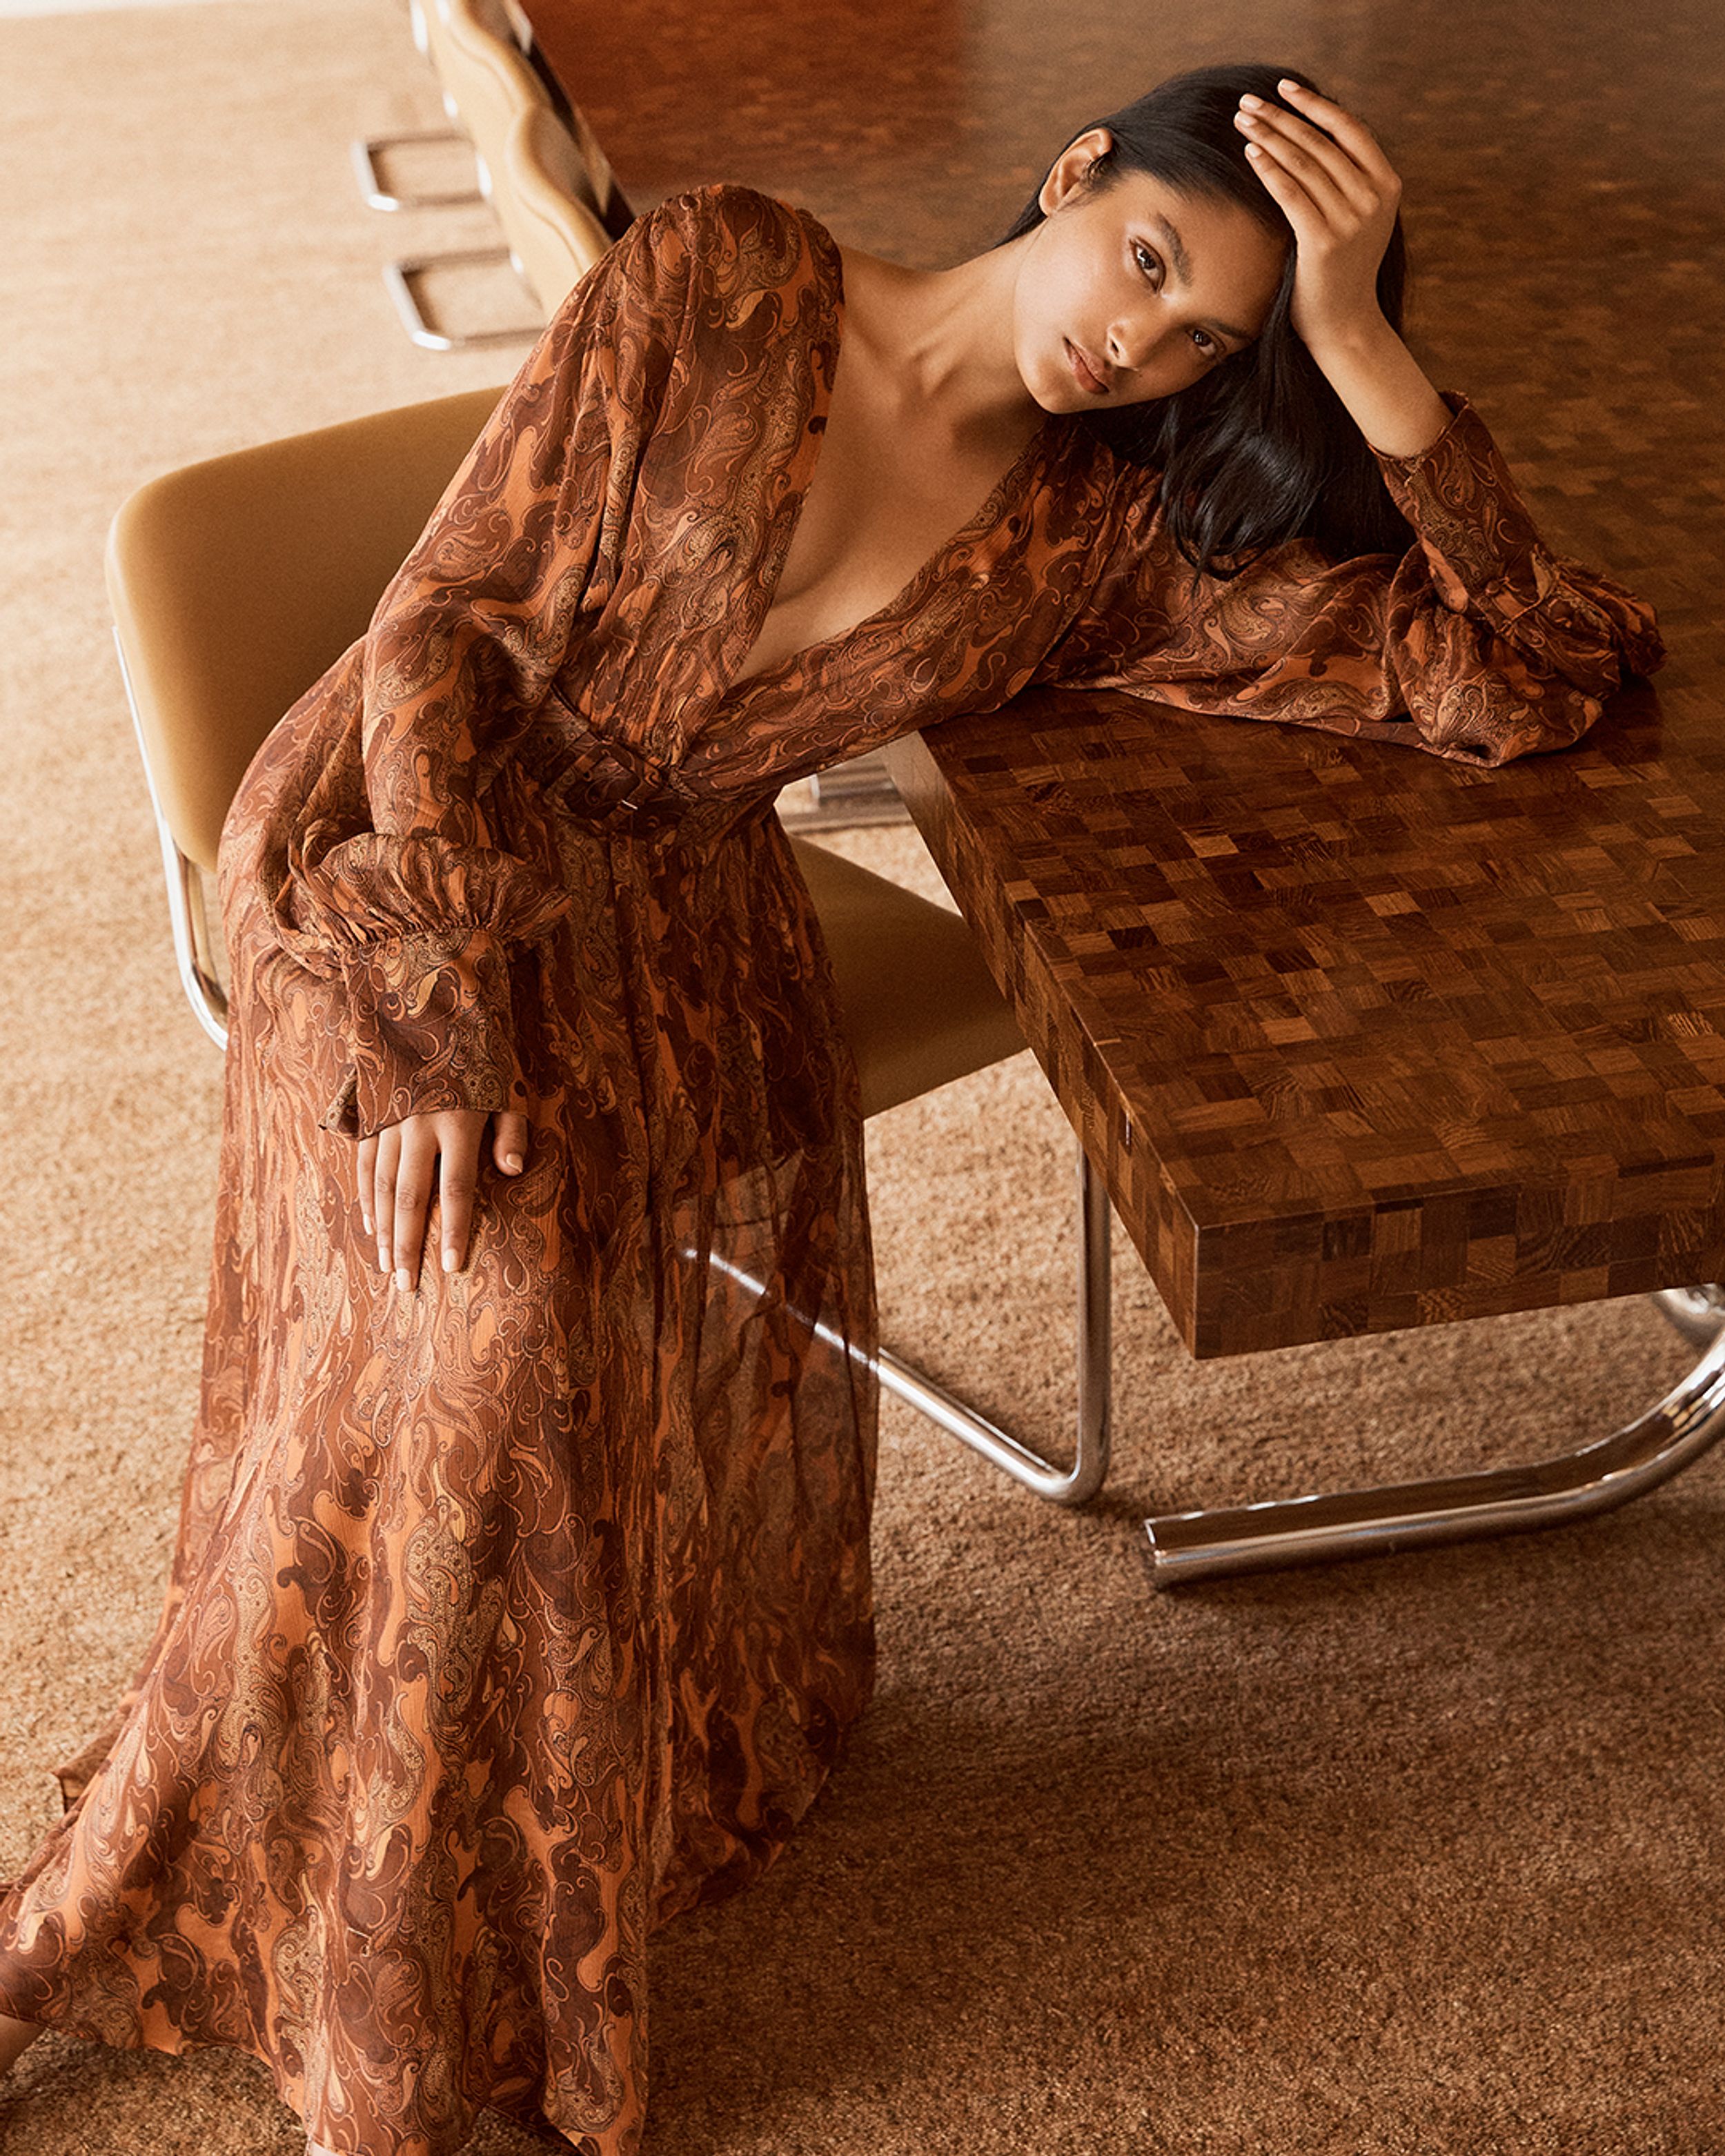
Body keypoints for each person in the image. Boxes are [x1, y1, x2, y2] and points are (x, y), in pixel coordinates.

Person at [0, 59, 1662, 2156]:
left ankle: (354, 1943)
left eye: (1201, 338)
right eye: (1141, 261)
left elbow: (1529, 673)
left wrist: (1355, 342)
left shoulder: (1091, 543)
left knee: (475, 1375)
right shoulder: (715, 269)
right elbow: (441, 639)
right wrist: (431, 1004)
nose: (1129, 344)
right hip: (392, 863)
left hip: (675, 931)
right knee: (479, 1315)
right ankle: (196, 1931)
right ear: (1070, 174)